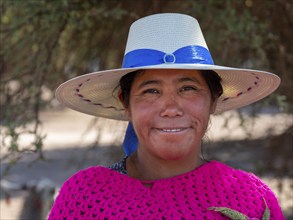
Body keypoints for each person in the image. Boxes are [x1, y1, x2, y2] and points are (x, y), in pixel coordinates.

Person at [48, 13, 285, 219]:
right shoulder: (86, 196)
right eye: (151, 91)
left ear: (213, 100)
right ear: (126, 104)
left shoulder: (251, 198)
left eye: (188, 88)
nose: (171, 108)